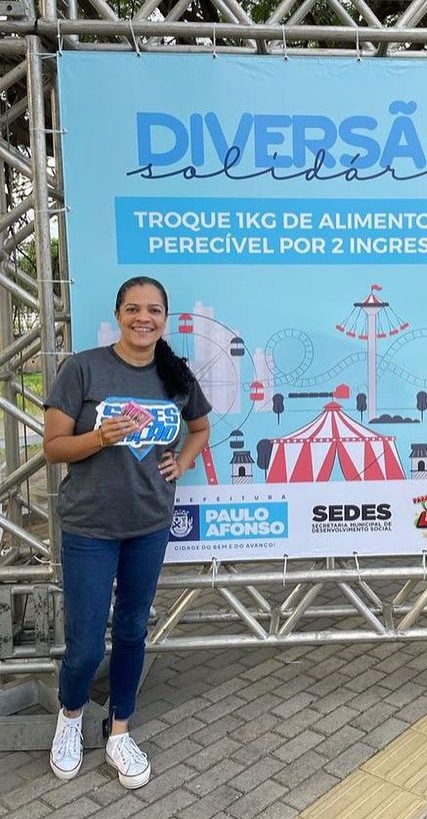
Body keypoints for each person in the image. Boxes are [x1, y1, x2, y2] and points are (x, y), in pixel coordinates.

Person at [43, 276, 211, 788]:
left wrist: (181, 463)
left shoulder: (176, 376)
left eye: (154, 310)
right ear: (119, 314)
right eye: (134, 309)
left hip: (149, 525)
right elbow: (53, 447)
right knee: (87, 645)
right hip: (90, 527)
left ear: (165, 318)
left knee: (134, 629)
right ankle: (70, 717)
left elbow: (201, 428)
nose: (144, 318)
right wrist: (99, 436)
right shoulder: (84, 368)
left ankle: (119, 731)